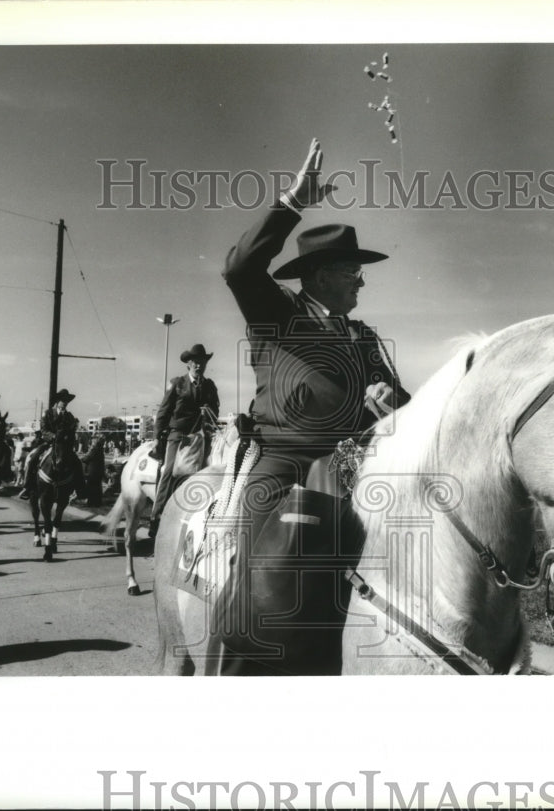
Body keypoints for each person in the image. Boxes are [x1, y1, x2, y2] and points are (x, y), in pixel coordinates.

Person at [216, 138, 411, 674]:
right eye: (353, 272)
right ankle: (236, 669)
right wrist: (292, 200)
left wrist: (390, 402)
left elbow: (405, 411)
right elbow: (239, 269)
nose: (362, 281)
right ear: (323, 275)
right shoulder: (276, 315)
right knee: (264, 588)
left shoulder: (365, 337)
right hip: (286, 467)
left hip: (351, 469)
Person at [148, 344, 220, 533]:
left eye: (202, 363)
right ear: (188, 364)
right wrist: (156, 437)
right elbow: (163, 412)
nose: (199, 366)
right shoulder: (177, 384)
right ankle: (157, 514)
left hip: (200, 436)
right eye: (195, 362)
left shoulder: (210, 386)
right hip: (178, 436)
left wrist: (209, 411)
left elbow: (216, 410)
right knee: (169, 469)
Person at [19, 389, 85, 500]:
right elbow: (44, 430)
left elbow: (72, 431)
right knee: (32, 458)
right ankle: (27, 487)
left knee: (77, 462)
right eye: (63, 400)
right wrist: (54, 436)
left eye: (67, 401)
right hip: (48, 443)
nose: (65, 402)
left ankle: (80, 489)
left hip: (64, 446)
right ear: (58, 401)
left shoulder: (70, 416)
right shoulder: (48, 413)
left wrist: (68, 439)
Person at [81, 434, 107, 508]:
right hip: (99, 471)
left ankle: (91, 502)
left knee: (91, 486)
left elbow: (87, 458)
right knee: (97, 487)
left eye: (93, 439)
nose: (92, 440)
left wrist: (81, 459)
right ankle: (97, 502)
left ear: (96, 440)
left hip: (92, 471)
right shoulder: (100, 449)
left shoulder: (94, 448)